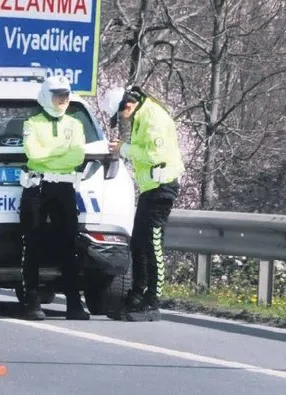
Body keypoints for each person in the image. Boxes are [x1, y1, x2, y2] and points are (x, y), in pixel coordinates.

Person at [99, 85, 185, 321]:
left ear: (127, 105)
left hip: (162, 187)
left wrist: (123, 149)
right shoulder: (141, 114)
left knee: (153, 244)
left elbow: (154, 155)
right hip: (150, 189)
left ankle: (152, 302)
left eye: (119, 114)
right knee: (138, 244)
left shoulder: (153, 117)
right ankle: (137, 295)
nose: (121, 119)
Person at [18, 75, 91, 321]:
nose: (62, 100)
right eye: (58, 95)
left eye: (66, 95)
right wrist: (61, 152)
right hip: (37, 187)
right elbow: (32, 154)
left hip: (65, 189)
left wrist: (50, 154)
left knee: (70, 245)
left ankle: (73, 302)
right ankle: (32, 299)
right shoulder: (32, 123)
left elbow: (77, 157)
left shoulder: (76, 124)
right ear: (46, 96)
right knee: (33, 244)